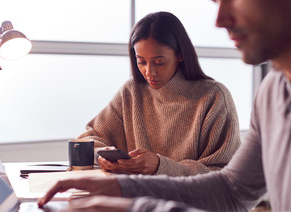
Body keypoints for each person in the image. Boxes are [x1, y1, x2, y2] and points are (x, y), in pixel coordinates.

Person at [36, 0, 291, 212]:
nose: (220, 20)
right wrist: (122, 189)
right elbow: (232, 190)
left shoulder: (214, 96)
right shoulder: (272, 90)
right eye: (214, 0)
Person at [76, 11, 240, 176]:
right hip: (135, 198)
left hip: (188, 200)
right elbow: (87, 139)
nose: (149, 72)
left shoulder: (214, 98)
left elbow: (224, 175)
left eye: (159, 62)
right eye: (141, 61)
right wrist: (102, 156)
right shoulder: (131, 92)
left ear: (180, 55)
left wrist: (160, 167)